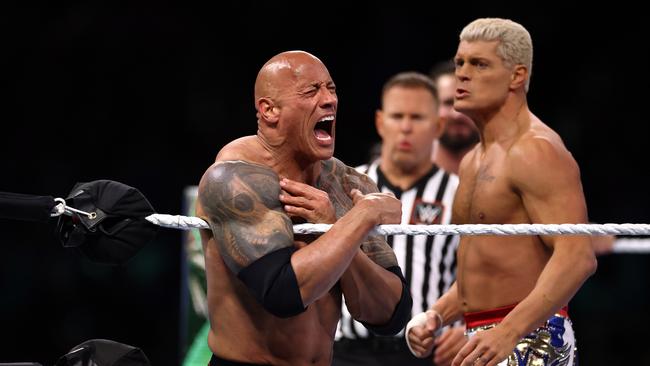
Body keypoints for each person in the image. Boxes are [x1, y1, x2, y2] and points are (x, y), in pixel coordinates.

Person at [195, 50, 412, 366]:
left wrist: (337, 224)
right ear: (269, 110)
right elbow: (282, 293)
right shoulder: (232, 180)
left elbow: (390, 315)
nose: (329, 100)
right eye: (312, 91)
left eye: (331, 89)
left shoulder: (349, 185)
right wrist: (362, 217)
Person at [406, 18, 597, 366]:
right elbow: (487, 267)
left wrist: (509, 331)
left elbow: (577, 257)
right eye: (460, 63)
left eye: (479, 64)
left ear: (517, 76)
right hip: (481, 336)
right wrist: (436, 314)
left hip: (530, 335)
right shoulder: (472, 161)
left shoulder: (536, 150)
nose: (463, 74)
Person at [333, 72, 466, 366]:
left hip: (426, 351)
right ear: (381, 122)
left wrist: (465, 328)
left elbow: (481, 276)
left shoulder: (459, 193)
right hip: (347, 350)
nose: (406, 127)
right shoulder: (343, 184)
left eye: (417, 117)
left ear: (438, 125)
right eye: (397, 116)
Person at [429, 60, 479, 174]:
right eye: (448, 103)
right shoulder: (405, 167)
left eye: (467, 102)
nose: (457, 114)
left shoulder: (506, 170)